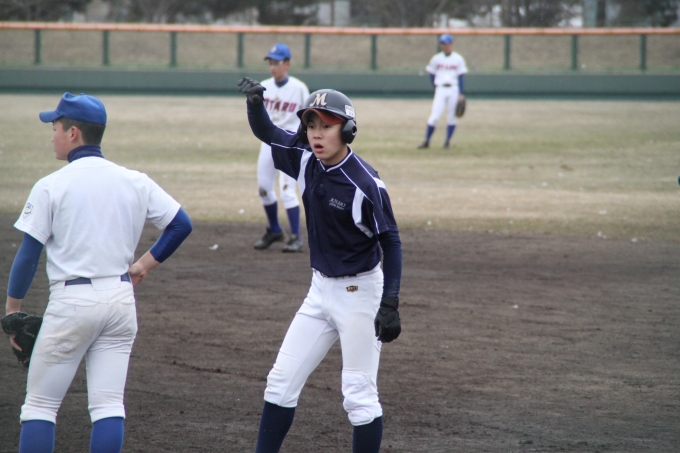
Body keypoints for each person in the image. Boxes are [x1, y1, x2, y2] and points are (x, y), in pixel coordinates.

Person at [3, 92, 192, 453]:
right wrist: (143, 265)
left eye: (56, 128)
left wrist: (13, 313)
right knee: (108, 406)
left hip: (72, 303)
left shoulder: (51, 185)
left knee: (40, 407)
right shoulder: (134, 180)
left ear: (73, 133)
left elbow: (28, 255)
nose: (52, 136)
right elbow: (181, 224)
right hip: (120, 302)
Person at [237, 77, 403, 453]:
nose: (316, 133)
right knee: (280, 383)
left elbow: (391, 243)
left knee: (359, 396)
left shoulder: (366, 184)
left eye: (326, 125)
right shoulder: (305, 159)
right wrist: (255, 104)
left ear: (347, 130)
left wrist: (390, 302)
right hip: (319, 291)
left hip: (360, 294)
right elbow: (267, 133)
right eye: (310, 124)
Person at [252, 43, 310, 252]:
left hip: (290, 143)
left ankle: (295, 237)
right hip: (268, 142)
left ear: (287, 64)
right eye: (270, 62)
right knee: (264, 188)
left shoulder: (299, 88)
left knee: (287, 191)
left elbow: (308, 116)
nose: (272, 67)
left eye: (277, 62)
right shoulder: (263, 86)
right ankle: (275, 230)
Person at [418, 33, 468, 149]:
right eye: (442, 44)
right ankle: (427, 141)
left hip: (453, 89)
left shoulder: (458, 59)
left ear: (451, 44)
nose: (444, 46)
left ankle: (447, 142)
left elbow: (461, 77)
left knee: (452, 117)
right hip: (440, 88)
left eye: (446, 43)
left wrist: (461, 93)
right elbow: (431, 74)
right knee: (434, 116)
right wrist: (435, 87)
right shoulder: (436, 59)